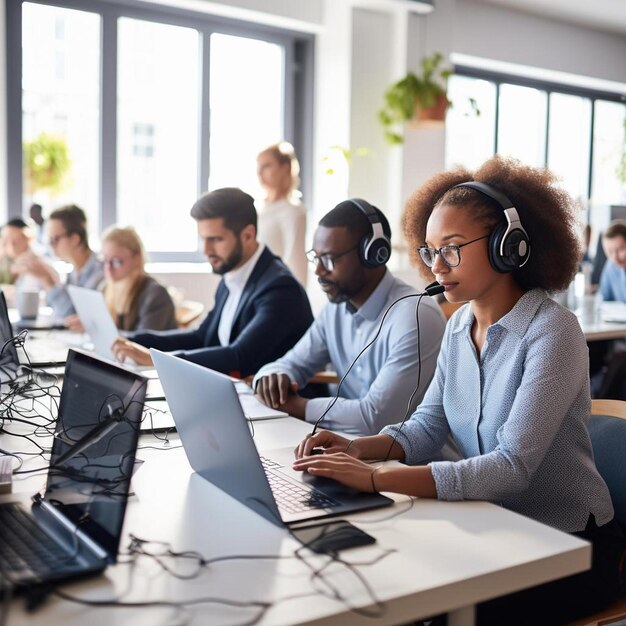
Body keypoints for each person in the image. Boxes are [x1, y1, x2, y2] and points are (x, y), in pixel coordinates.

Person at [292, 156, 625, 626]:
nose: (436, 266)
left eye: (451, 248)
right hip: (489, 522)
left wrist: (375, 478)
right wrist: (356, 448)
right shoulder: (459, 326)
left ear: (507, 247)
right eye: (429, 252)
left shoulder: (553, 331)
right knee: (375, 579)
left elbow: (511, 469)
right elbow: (428, 426)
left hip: (568, 546)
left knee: (430, 610)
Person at [253, 198, 446, 436]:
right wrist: (271, 377)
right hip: (348, 451)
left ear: (374, 255)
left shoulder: (415, 316)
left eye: (330, 259)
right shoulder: (334, 310)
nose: (319, 271)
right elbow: (290, 364)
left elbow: (376, 419)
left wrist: (296, 406)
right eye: (316, 257)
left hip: (406, 465)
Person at [111, 187, 314, 378]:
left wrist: (156, 360)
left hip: (280, 408)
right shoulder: (232, 276)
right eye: (203, 239)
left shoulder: (279, 289)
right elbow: (202, 337)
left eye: (215, 239)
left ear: (248, 235)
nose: (206, 250)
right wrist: (129, 339)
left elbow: (240, 356)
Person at [67, 226, 177, 333]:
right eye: (105, 261)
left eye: (116, 262)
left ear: (136, 258)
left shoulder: (155, 295)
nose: (108, 269)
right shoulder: (104, 288)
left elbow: (143, 344)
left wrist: (98, 329)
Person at [13, 204, 104, 322]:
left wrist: (46, 279)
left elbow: (71, 316)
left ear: (74, 239)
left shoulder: (101, 272)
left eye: (55, 239)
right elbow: (55, 308)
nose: (51, 245)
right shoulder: (74, 272)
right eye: (49, 239)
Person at [256, 141, 307, 286]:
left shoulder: (293, 212)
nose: (260, 172)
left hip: (276, 292)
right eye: (259, 166)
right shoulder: (258, 209)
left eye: (267, 166)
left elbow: (297, 266)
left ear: (285, 168)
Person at [1, 217, 59, 293]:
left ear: (29, 239)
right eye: (6, 240)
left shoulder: (44, 266)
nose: (11, 246)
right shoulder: (6, 263)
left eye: (16, 241)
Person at [599, 219, 626, 303]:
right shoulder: (610, 266)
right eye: (610, 252)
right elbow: (604, 298)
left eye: (620, 249)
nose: (615, 257)